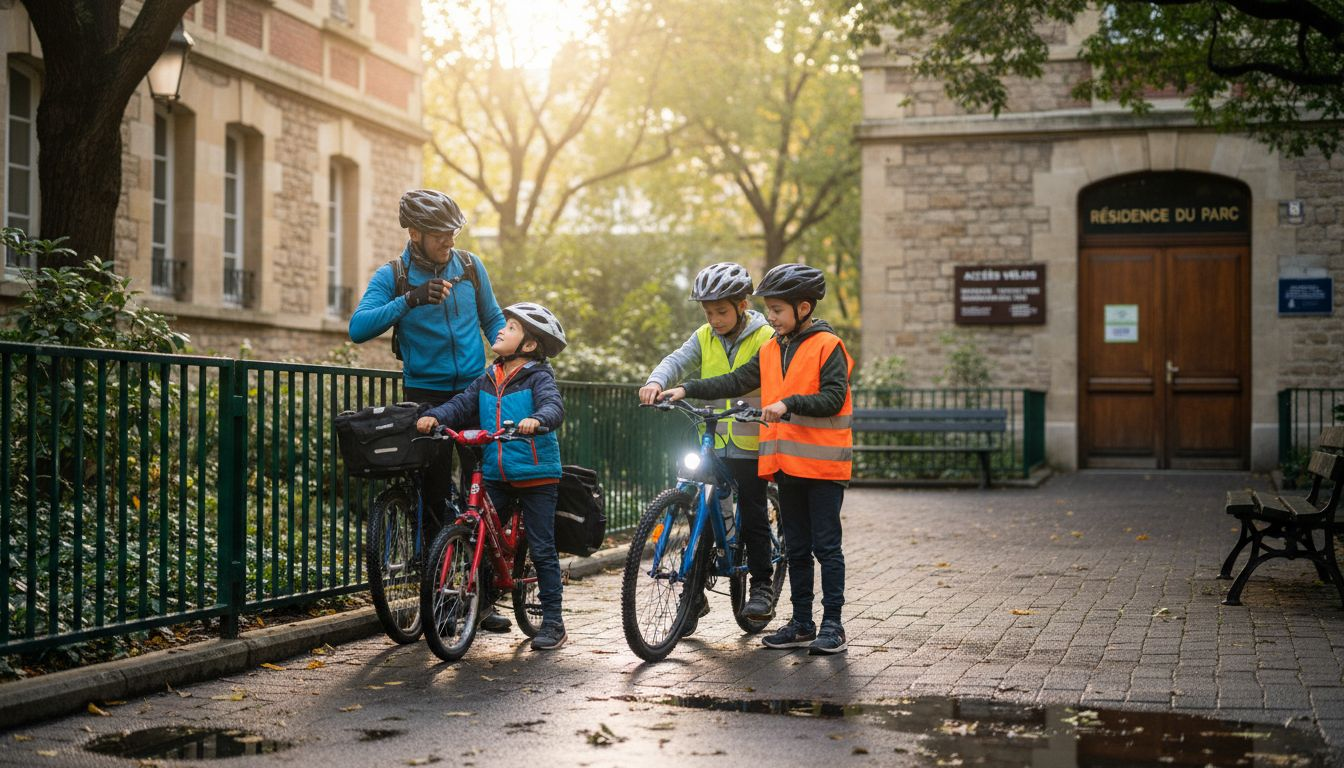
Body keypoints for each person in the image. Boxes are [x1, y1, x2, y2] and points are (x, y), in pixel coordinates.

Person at [659, 263, 853, 655]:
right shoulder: (771, 348)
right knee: (797, 548)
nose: (772, 318)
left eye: (778, 310)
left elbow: (833, 397)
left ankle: (833, 624)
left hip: (824, 466)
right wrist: (686, 388)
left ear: (803, 308)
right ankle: (801, 623)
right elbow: (735, 382)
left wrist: (788, 403)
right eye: (770, 309)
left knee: (825, 547)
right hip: (786, 466)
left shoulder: (828, 346)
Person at [349, 189, 510, 632]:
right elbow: (358, 328)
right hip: (427, 398)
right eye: (440, 235)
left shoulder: (471, 268)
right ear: (414, 233)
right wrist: (411, 300)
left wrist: (509, 356)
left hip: (477, 392)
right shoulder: (394, 275)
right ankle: (442, 596)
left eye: (453, 234)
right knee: (435, 494)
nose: (449, 243)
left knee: (487, 486)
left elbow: (492, 318)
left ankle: (486, 595)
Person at [415, 302, 569, 651]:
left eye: (511, 327)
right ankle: (476, 604)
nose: (501, 329)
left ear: (529, 345)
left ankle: (554, 622)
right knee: (478, 538)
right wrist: (436, 417)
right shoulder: (488, 377)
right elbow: (461, 404)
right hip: (496, 472)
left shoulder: (538, 377)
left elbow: (553, 406)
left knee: (542, 549)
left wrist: (539, 419)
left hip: (536, 474)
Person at [639, 262, 778, 634]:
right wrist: (657, 380)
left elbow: (735, 381)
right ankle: (694, 593)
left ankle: (762, 585)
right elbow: (677, 360)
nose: (714, 319)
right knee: (704, 506)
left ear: (742, 305)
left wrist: (689, 388)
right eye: (708, 312)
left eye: (721, 311)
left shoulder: (765, 337)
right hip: (714, 440)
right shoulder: (704, 335)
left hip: (751, 440)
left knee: (752, 510)